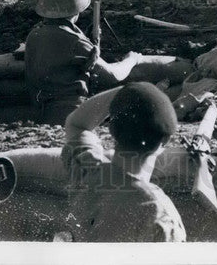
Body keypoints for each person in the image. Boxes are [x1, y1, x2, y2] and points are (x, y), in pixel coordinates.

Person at [61, 82, 186, 242]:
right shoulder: (159, 212)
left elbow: (76, 123)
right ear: (166, 140)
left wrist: (129, 91)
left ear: (111, 130)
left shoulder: (88, 169)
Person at [25, 0, 144, 125]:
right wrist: (132, 59)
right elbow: (113, 75)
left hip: (44, 115)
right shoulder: (75, 41)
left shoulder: (33, 35)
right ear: (76, 9)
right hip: (75, 115)